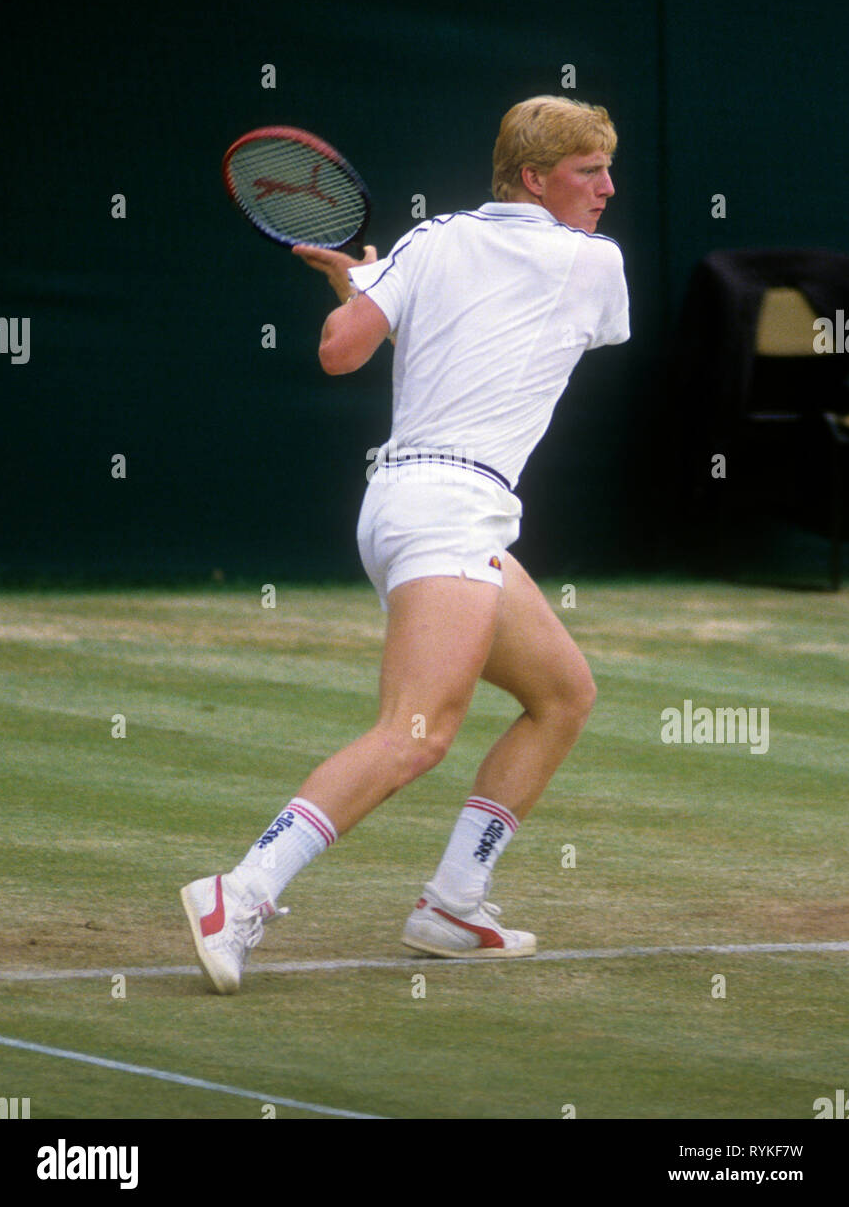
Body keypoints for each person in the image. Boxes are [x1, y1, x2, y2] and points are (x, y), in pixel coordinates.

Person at [181, 94, 629, 993]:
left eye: (608, 170)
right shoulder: (595, 264)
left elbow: (341, 352)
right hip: (450, 509)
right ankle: (242, 891)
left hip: (400, 505)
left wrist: (368, 286)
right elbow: (546, 324)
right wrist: (380, 284)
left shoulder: (427, 242)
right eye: (588, 172)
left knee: (563, 694)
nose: (607, 189)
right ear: (535, 178)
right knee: (414, 733)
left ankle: (455, 902)